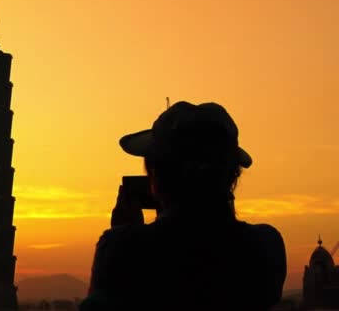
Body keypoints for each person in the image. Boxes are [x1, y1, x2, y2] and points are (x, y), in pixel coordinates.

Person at [79, 101, 287, 310]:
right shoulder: (266, 246)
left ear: (155, 174)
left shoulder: (123, 248)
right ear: (233, 175)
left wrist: (122, 236)